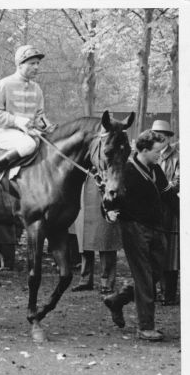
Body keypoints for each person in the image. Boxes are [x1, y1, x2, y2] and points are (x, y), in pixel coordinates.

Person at [103, 130, 178, 341]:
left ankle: (117, 299)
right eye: (156, 151)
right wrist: (108, 212)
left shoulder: (155, 169)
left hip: (157, 229)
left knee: (155, 273)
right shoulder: (126, 170)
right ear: (144, 150)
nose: (159, 154)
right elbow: (109, 197)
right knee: (144, 277)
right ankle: (145, 327)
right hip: (134, 229)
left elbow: (169, 196)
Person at [0, 45, 55, 182]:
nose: (36, 67)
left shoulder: (37, 89)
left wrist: (49, 127)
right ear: (19, 64)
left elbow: (39, 117)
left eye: (37, 64)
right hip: (5, 132)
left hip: (29, 133)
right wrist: (16, 121)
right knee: (28, 145)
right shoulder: (3, 85)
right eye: (32, 63)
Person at [71, 174, 122, 294]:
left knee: (105, 240)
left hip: (104, 195)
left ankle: (107, 282)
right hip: (84, 194)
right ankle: (85, 279)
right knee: (85, 240)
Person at [152, 120, 180, 306]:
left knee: (170, 251)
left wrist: (164, 188)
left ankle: (168, 293)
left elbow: (178, 181)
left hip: (170, 208)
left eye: (163, 135)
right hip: (151, 210)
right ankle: (152, 292)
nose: (160, 138)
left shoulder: (178, 157)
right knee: (152, 250)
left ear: (169, 138)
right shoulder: (149, 155)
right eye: (156, 135)